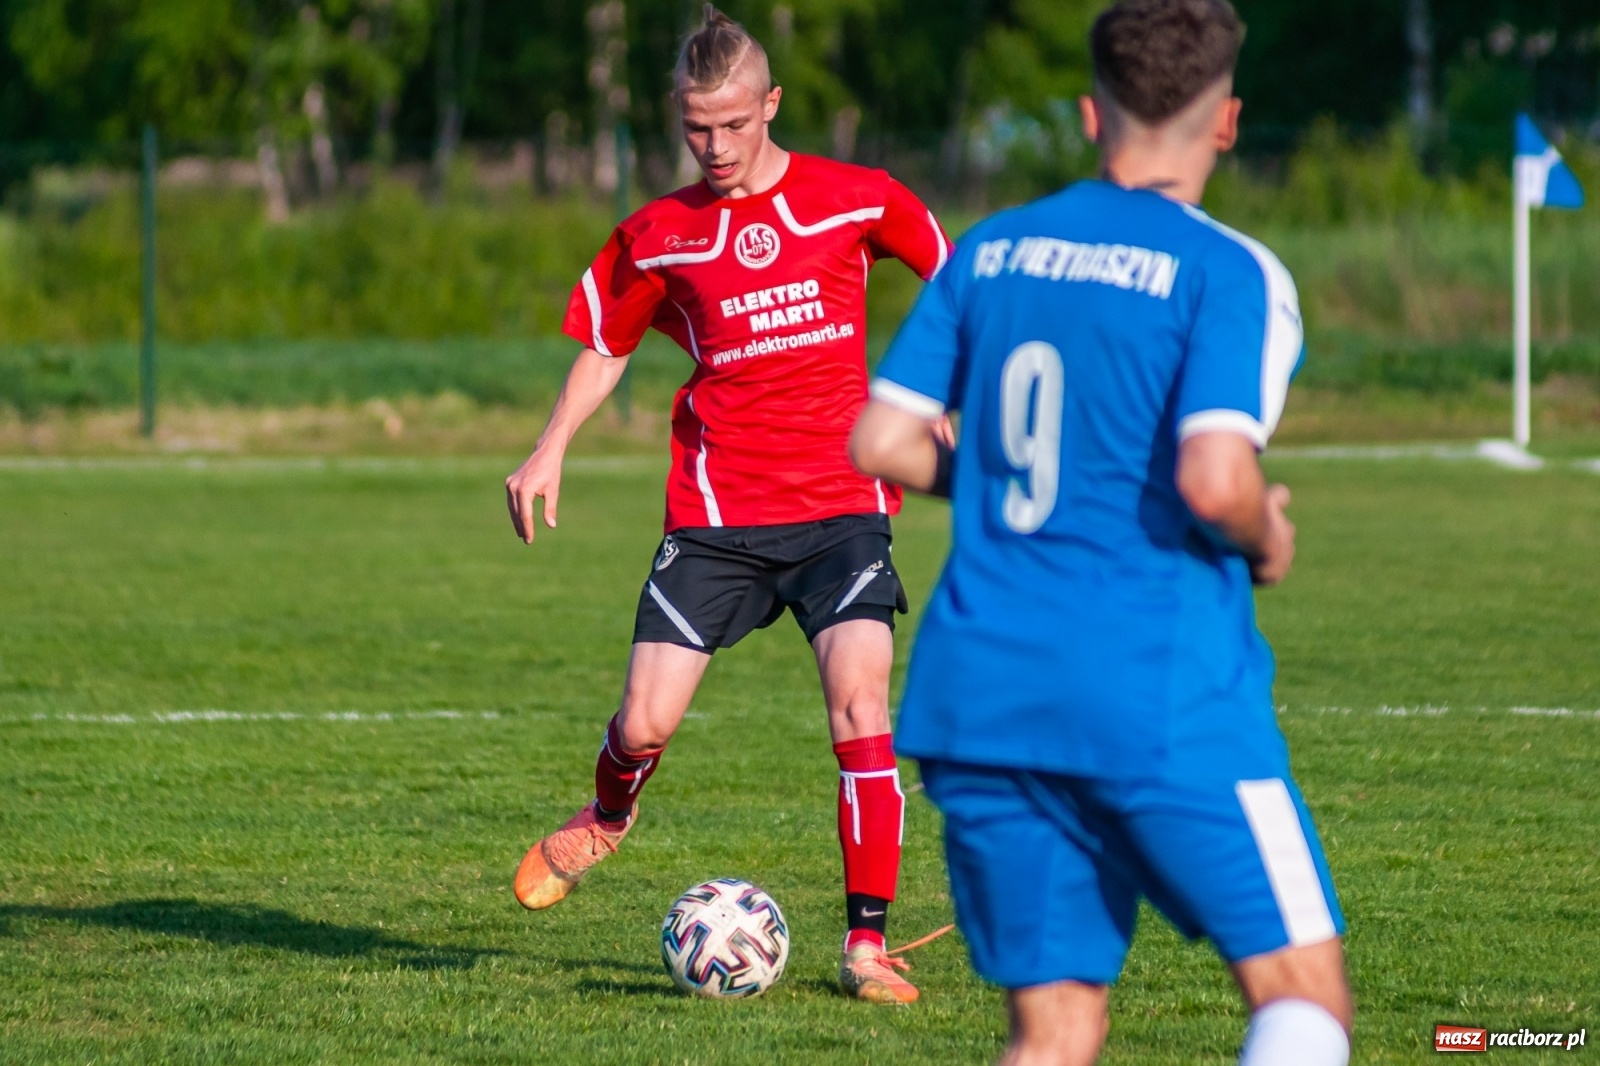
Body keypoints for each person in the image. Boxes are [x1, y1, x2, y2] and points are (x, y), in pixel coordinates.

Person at [848, 0, 1351, 1059]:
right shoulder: (1227, 270)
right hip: (1154, 690)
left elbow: (883, 440)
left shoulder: (989, 251)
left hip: (980, 698)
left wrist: (988, 475)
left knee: (1054, 1029)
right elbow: (1215, 478)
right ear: (1225, 121)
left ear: (1091, 113)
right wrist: (1264, 536)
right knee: (1300, 992)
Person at [504, 5, 951, 1004]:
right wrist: (549, 447)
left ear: (771, 105)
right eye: (695, 126)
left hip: (841, 506)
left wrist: (943, 394)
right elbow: (608, 343)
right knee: (642, 720)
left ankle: (865, 946)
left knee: (861, 705)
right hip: (714, 516)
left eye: (733, 124)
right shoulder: (659, 234)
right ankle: (607, 819)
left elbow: (953, 275)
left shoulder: (853, 199)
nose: (712, 146)